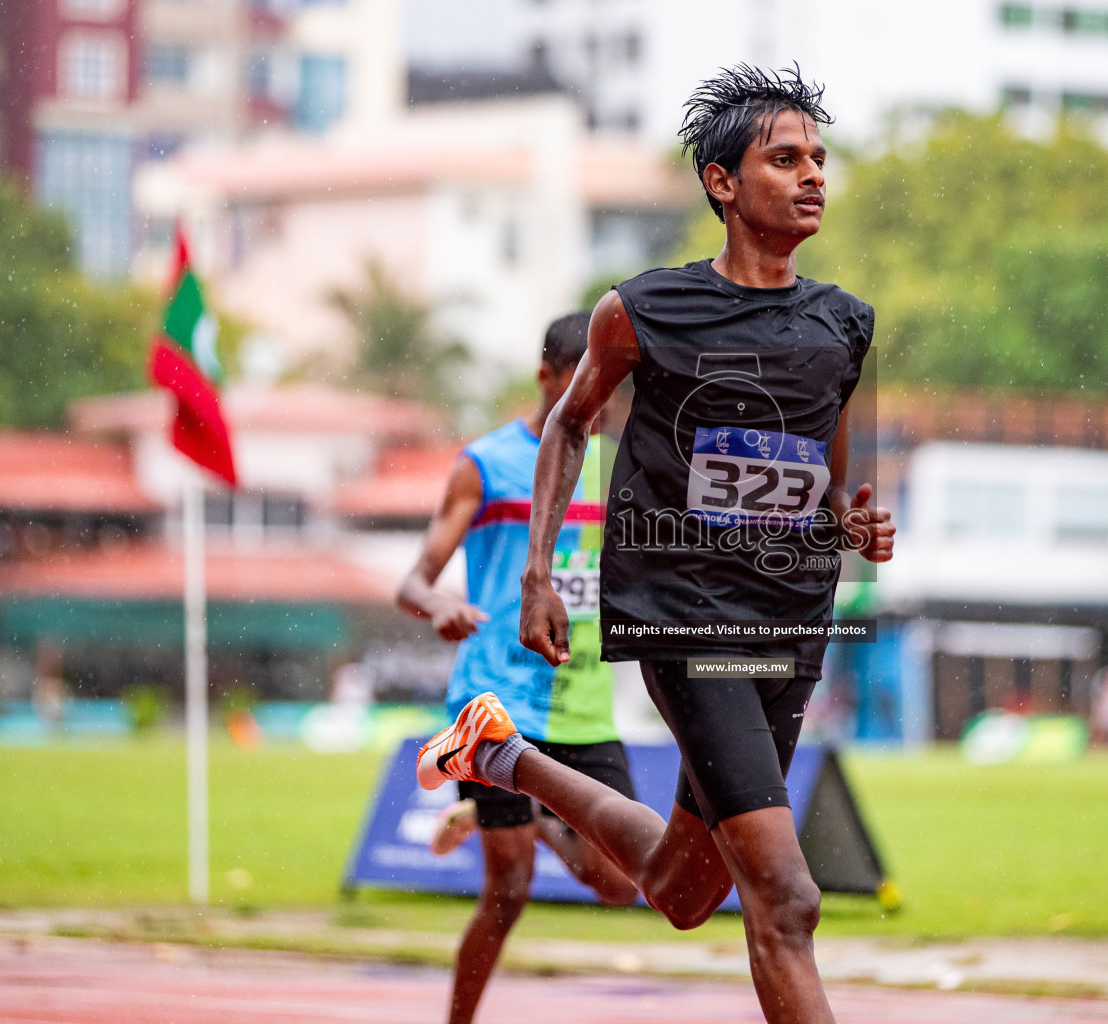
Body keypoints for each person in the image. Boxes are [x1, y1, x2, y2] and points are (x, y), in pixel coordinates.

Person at [415, 65, 894, 1024]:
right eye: (784, 158)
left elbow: (826, 471)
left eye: (819, 160)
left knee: (685, 889)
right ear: (722, 183)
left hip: (790, 624)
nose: (812, 177)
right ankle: (500, 753)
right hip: (686, 620)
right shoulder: (643, 310)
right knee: (788, 901)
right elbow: (567, 426)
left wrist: (851, 520)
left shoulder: (843, 323)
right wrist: (539, 579)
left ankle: (499, 757)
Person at [397, 312, 638, 1024]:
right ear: (548, 377)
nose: (597, 398)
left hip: (585, 701)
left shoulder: (621, 464)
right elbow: (413, 580)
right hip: (494, 702)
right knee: (509, 893)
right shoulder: (487, 464)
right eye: (583, 382)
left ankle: (511, 812)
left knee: (624, 881)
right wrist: (436, 604)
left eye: (611, 386)